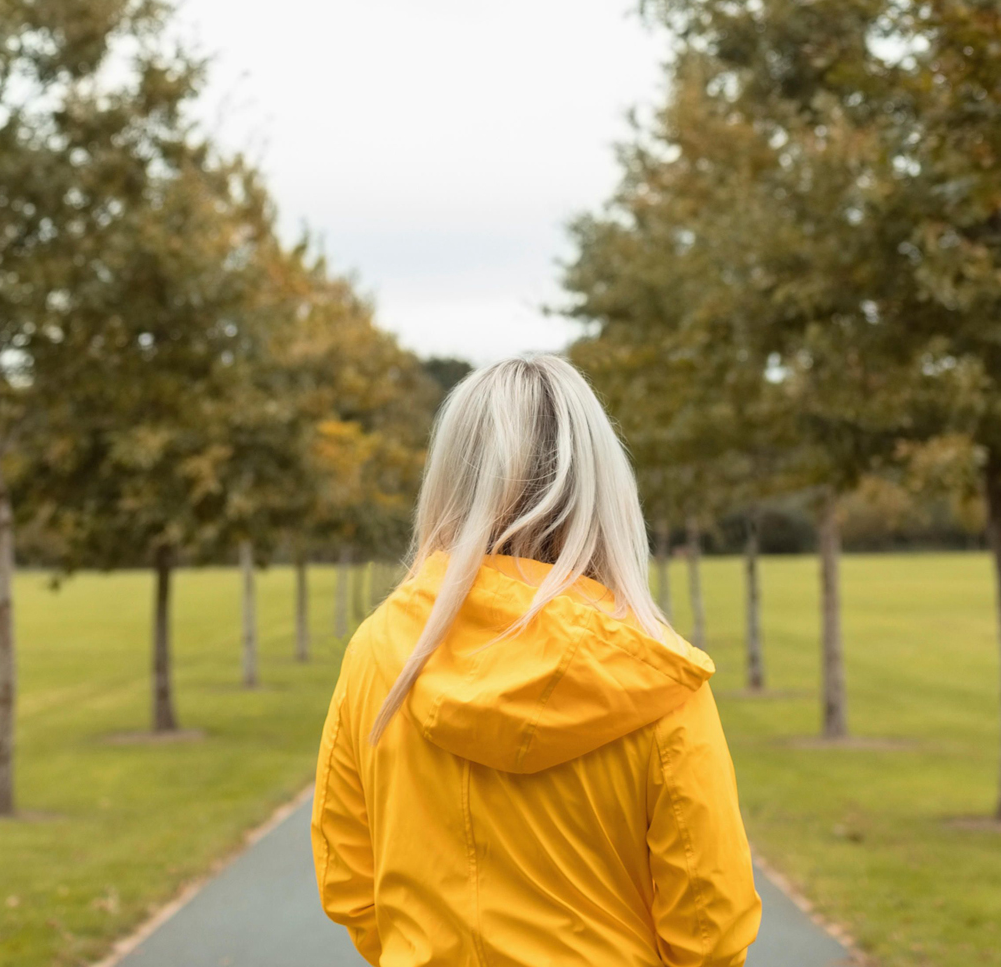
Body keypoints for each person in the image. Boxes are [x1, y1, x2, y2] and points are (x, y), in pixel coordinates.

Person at [312, 354, 759, 967]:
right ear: (604, 486)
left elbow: (348, 876)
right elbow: (710, 928)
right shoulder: (657, 676)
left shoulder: (379, 653)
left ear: (449, 481)